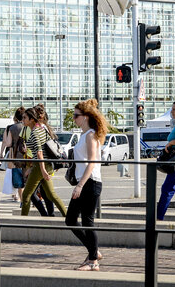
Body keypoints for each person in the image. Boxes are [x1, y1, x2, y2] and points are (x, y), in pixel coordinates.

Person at [66, 99, 107, 272]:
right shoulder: (84, 135)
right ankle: (94, 252)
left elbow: (92, 162)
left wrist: (80, 185)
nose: (74, 118)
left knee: (87, 220)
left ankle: (93, 260)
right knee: (70, 220)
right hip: (86, 182)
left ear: (85, 117)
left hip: (90, 182)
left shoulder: (91, 134)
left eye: (76, 115)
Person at [20, 106, 67, 217]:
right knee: (51, 195)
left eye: (24, 118)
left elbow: (40, 153)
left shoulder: (35, 132)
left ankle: (22, 221)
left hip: (40, 166)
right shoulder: (42, 128)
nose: (22, 120)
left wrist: (42, 170)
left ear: (32, 119)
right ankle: (68, 216)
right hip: (45, 165)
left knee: (26, 195)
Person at [0, 106, 25, 202]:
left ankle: (21, 199)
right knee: (26, 177)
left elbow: (7, 143)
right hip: (27, 155)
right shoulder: (28, 127)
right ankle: (30, 200)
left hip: (14, 155)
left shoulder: (11, 128)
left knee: (17, 178)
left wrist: (2, 153)